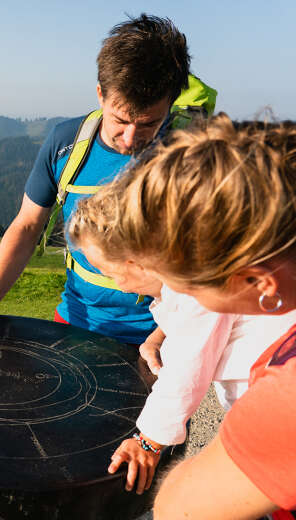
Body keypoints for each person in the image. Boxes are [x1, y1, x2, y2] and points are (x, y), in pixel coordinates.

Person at [68, 114, 296, 519]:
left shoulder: (286, 396)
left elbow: (182, 509)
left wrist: (151, 442)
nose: (180, 293)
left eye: (187, 282)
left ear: (260, 283)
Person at [0, 14, 216, 344]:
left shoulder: (190, 156)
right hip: (75, 320)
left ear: (170, 104)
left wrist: (160, 339)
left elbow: (210, 266)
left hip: (164, 334)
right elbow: (28, 225)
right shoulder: (66, 144)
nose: (130, 139)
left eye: (147, 124)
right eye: (120, 120)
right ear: (101, 94)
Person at [65, 218, 296, 496]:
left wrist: (148, 443)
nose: (104, 275)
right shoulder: (190, 277)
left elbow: (186, 371)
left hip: (276, 410)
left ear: (136, 261)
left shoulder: (196, 290)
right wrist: (157, 337)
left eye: (104, 266)